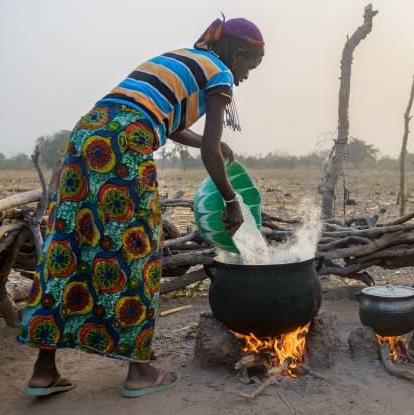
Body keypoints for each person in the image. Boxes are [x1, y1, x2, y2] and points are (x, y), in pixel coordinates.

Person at [16, 16, 264, 398]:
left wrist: (203, 142)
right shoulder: (221, 74)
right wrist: (232, 201)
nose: (247, 76)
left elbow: (165, 121)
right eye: (250, 66)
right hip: (125, 141)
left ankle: (44, 368)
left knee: (71, 243)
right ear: (240, 53)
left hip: (88, 134)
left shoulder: (182, 58)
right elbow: (211, 154)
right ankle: (139, 372)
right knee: (137, 249)